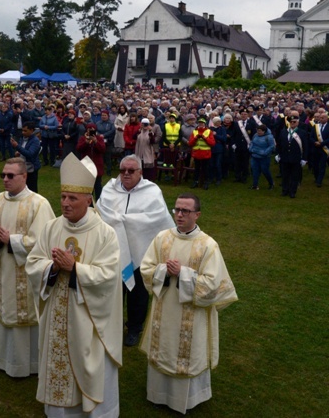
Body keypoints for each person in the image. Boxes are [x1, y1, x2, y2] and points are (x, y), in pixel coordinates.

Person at [26, 153, 123, 417]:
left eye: (72, 199)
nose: (65, 204)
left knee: (87, 363)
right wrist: (52, 268)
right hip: (56, 310)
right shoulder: (51, 227)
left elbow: (109, 276)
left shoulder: (105, 234)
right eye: (62, 197)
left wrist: (75, 268)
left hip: (88, 318)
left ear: (88, 200)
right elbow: (33, 262)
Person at [140, 193, 238, 414]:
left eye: (185, 211)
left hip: (191, 316)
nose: (180, 214)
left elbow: (212, 285)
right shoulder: (162, 238)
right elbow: (146, 269)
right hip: (164, 310)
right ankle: (158, 394)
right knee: (163, 349)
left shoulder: (208, 245)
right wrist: (165, 271)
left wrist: (182, 274)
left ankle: (185, 400)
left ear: (197, 214)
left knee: (187, 354)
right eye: (176, 210)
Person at [0, 157, 54, 377]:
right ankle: (5, 359)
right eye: (3, 175)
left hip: (27, 274)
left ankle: (27, 365)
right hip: (4, 268)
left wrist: (11, 240)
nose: (5, 179)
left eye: (10, 175)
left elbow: (43, 241)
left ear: (24, 176)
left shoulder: (39, 204)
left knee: (26, 317)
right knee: (5, 313)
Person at [97, 155, 175, 348]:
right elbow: (100, 212)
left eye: (131, 171)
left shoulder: (152, 191)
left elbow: (157, 219)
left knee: (137, 291)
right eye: (122, 170)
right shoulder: (109, 189)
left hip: (141, 251)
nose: (126, 174)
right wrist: (122, 221)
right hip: (114, 251)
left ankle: (134, 327)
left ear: (140, 172)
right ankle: (111, 325)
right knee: (113, 290)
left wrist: (122, 220)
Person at [276, 113, 308, 198]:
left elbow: (305, 146)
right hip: (285, 157)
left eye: (294, 122)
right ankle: (285, 190)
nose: (292, 123)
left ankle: (292, 191)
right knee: (285, 175)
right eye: (291, 122)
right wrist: (278, 154)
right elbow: (279, 144)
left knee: (294, 176)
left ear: (298, 123)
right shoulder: (283, 132)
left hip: (296, 158)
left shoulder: (302, 133)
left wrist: (304, 158)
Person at [77, 123, 106, 200]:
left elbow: (102, 149)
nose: (91, 131)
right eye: (89, 130)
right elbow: (78, 149)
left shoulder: (99, 138)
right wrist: (86, 142)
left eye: (93, 130)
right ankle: (88, 203)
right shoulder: (83, 138)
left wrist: (96, 141)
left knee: (98, 185)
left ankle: (98, 201)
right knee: (87, 186)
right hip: (86, 165)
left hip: (97, 165)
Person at [11, 122, 42, 193]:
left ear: (31, 130)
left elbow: (30, 154)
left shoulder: (35, 141)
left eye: (25, 131)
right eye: (22, 130)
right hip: (22, 166)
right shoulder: (23, 138)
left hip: (31, 168)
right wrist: (18, 153)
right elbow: (23, 150)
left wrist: (17, 146)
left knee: (31, 189)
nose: (23, 132)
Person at [188, 117, 215, 189]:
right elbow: (190, 143)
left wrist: (204, 138)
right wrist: (196, 138)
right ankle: (195, 181)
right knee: (196, 169)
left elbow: (212, 143)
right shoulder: (194, 132)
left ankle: (206, 182)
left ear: (204, 124)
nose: (201, 124)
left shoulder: (209, 131)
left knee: (205, 169)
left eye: (202, 123)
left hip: (205, 154)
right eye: (199, 123)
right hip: (197, 153)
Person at [248, 124, 275, 190]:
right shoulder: (255, 135)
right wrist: (251, 149)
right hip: (255, 156)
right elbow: (252, 142)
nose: (258, 132)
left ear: (264, 131)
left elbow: (272, 146)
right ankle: (255, 185)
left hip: (264, 158)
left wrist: (264, 152)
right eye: (257, 130)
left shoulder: (269, 137)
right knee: (255, 171)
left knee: (265, 170)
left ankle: (271, 183)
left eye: (260, 131)